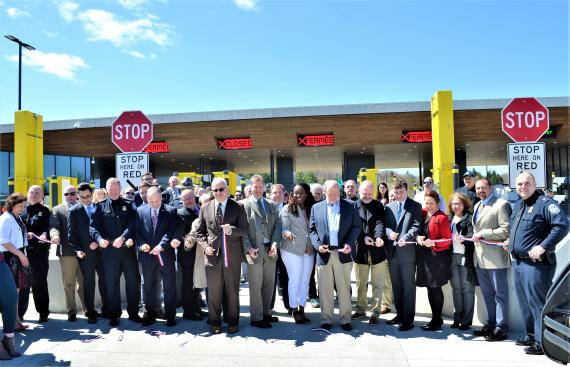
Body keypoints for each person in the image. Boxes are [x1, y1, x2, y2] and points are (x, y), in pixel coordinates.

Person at [508, 171, 569, 355]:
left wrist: (543, 246)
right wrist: (510, 243)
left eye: (527, 183)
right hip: (518, 263)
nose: (522, 187)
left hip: (537, 265)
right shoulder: (519, 204)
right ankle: (530, 335)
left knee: (538, 304)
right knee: (525, 303)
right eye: (519, 184)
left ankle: (543, 342)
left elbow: (562, 225)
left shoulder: (545, 204)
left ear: (535, 184)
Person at [196, 177, 248, 334]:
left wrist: (231, 230)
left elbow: (244, 230)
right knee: (213, 292)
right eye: (215, 190)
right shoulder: (205, 207)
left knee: (232, 291)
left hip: (231, 257)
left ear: (227, 189)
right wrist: (205, 247)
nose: (218, 192)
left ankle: (233, 321)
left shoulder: (237, 206)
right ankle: (215, 322)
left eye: (221, 189)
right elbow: (200, 233)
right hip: (212, 257)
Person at [309, 180, 361, 331]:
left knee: (344, 287)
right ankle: (326, 319)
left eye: (336, 194)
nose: (333, 197)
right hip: (324, 253)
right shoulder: (316, 207)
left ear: (340, 192)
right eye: (330, 194)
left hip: (342, 253)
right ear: (324, 192)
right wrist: (318, 246)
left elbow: (356, 226)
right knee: (324, 288)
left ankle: (345, 319)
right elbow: (311, 230)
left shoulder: (350, 206)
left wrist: (349, 243)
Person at [90, 178, 142, 327]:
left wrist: (124, 237)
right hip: (109, 253)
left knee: (133, 283)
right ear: (106, 189)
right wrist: (99, 239)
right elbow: (93, 227)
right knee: (111, 284)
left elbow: (133, 224)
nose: (113, 191)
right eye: (110, 189)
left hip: (127, 251)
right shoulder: (99, 207)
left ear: (120, 189)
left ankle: (133, 313)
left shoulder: (129, 205)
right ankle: (114, 314)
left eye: (115, 189)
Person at [471, 177, 512, 342]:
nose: (480, 191)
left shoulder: (501, 204)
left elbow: (507, 230)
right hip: (480, 257)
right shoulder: (477, 205)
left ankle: (501, 328)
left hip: (496, 258)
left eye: (483, 187)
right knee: (487, 294)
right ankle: (491, 324)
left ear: (491, 187)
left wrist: (484, 234)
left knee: (500, 294)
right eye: (477, 188)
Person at [135, 187, 180, 327]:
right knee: (149, 286)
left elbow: (171, 230)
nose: (154, 204)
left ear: (161, 198)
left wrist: (162, 245)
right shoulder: (140, 211)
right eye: (151, 201)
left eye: (157, 201)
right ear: (146, 199)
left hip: (164, 255)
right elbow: (137, 232)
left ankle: (170, 315)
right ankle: (150, 314)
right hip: (147, 256)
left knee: (169, 285)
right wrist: (141, 245)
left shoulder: (170, 211)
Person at [242, 175, 282, 328]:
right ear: (251, 188)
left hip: (269, 251)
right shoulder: (244, 205)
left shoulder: (271, 205)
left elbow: (278, 226)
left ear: (264, 187)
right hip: (254, 251)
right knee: (255, 285)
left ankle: (266, 313)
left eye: (260, 186)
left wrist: (274, 244)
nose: (258, 189)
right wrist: (248, 248)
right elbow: (243, 231)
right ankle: (256, 318)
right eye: (255, 186)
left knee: (269, 283)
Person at [384, 178, 422, 332]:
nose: (399, 195)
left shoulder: (415, 206)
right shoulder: (389, 207)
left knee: (408, 287)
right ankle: (399, 315)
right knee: (397, 286)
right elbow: (385, 225)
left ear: (407, 191)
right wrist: (389, 233)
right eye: (396, 192)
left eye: (401, 192)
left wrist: (405, 238)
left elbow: (416, 226)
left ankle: (408, 319)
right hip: (392, 254)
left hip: (407, 254)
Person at [68, 182, 109, 324]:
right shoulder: (74, 211)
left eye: (88, 196)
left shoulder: (100, 208)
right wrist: (79, 249)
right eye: (82, 197)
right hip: (86, 254)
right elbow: (71, 235)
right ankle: (90, 312)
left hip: (103, 252)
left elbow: (106, 229)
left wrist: (99, 242)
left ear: (92, 194)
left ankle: (107, 309)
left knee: (105, 281)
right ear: (78, 196)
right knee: (89, 283)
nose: (86, 199)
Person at [351, 180, 386, 325]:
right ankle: (360, 309)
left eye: (370, 194)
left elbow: (380, 223)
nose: (367, 196)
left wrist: (378, 237)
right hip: (360, 251)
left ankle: (375, 312)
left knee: (378, 284)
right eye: (365, 194)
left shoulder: (378, 205)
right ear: (359, 192)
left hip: (377, 251)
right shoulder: (352, 206)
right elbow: (352, 226)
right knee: (361, 283)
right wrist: (362, 237)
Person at [416, 190, 452, 331]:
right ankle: (434, 318)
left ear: (438, 203)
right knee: (430, 288)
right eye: (427, 203)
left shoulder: (442, 217)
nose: (429, 206)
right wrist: (418, 237)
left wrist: (434, 243)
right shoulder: (424, 213)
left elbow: (447, 240)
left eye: (432, 203)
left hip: (437, 257)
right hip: (425, 256)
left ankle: (437, 320)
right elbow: (419, 230)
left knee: (435, 288)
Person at [281, 183, 316, 324]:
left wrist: (311, 246)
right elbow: (284, 228)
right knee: (295, 279)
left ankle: (302, 308)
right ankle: (294, 309)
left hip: (309, 250)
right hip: (292, 249)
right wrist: (287, 233)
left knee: (305, 280)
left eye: (301, 192)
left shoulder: (312, 208)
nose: (298, 195)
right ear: (292, 194)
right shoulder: (287, 209)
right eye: (295, 193)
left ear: (307, 193)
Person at [50, 185, 85, 322]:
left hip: (83, 251)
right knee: (69, 283)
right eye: (66, 194)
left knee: (84, 283)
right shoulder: (57, 209)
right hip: (67, 252)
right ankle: (71, 310)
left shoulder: (83, 207)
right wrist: (54, 236)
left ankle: (87, 309)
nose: (69, 196)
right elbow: (54, 227)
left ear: (77, 194)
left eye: (72, 193)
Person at [19, 185, 51, 323]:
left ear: (42, 195)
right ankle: (19, 314)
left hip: (39, 254)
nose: (34, 194)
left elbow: (49, 229)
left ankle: (43, 313)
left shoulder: (46, 211)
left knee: (39, 284)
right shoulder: (21, 211)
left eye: (37, 192)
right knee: (23, 285)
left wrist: (43, 235)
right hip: (22, 255)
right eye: (31, 192)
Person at [0, 193, 27, 359]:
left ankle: (9, 341)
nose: (22, 209)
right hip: (8, 256)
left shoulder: (13, 218)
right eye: (20, 205)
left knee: (10, 298)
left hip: (1, 260)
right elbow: (3, 240)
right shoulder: (5, 218)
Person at [448, 192, 477, 330]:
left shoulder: (469, 218)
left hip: (465, 257)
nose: (456, 206)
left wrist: (464, 238)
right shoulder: (449, 219)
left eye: (459, 203)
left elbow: (472, 235)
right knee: (456, 289)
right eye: (454, 203)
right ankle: (457, 318)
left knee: (467, 289)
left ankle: (466, 321)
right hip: (451, 257)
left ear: (464, 204)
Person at [175, 188, 203, 320]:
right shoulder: (180, 213)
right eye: (185, 199)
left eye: (190, 197)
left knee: (197, 283)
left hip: (200, 254)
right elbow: (181, 233)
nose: (188, 201)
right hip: (187, 255)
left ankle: (197, 309)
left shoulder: (201, 209)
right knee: (188, 284)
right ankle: (188, 312)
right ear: (182, 200)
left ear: (195, 196)